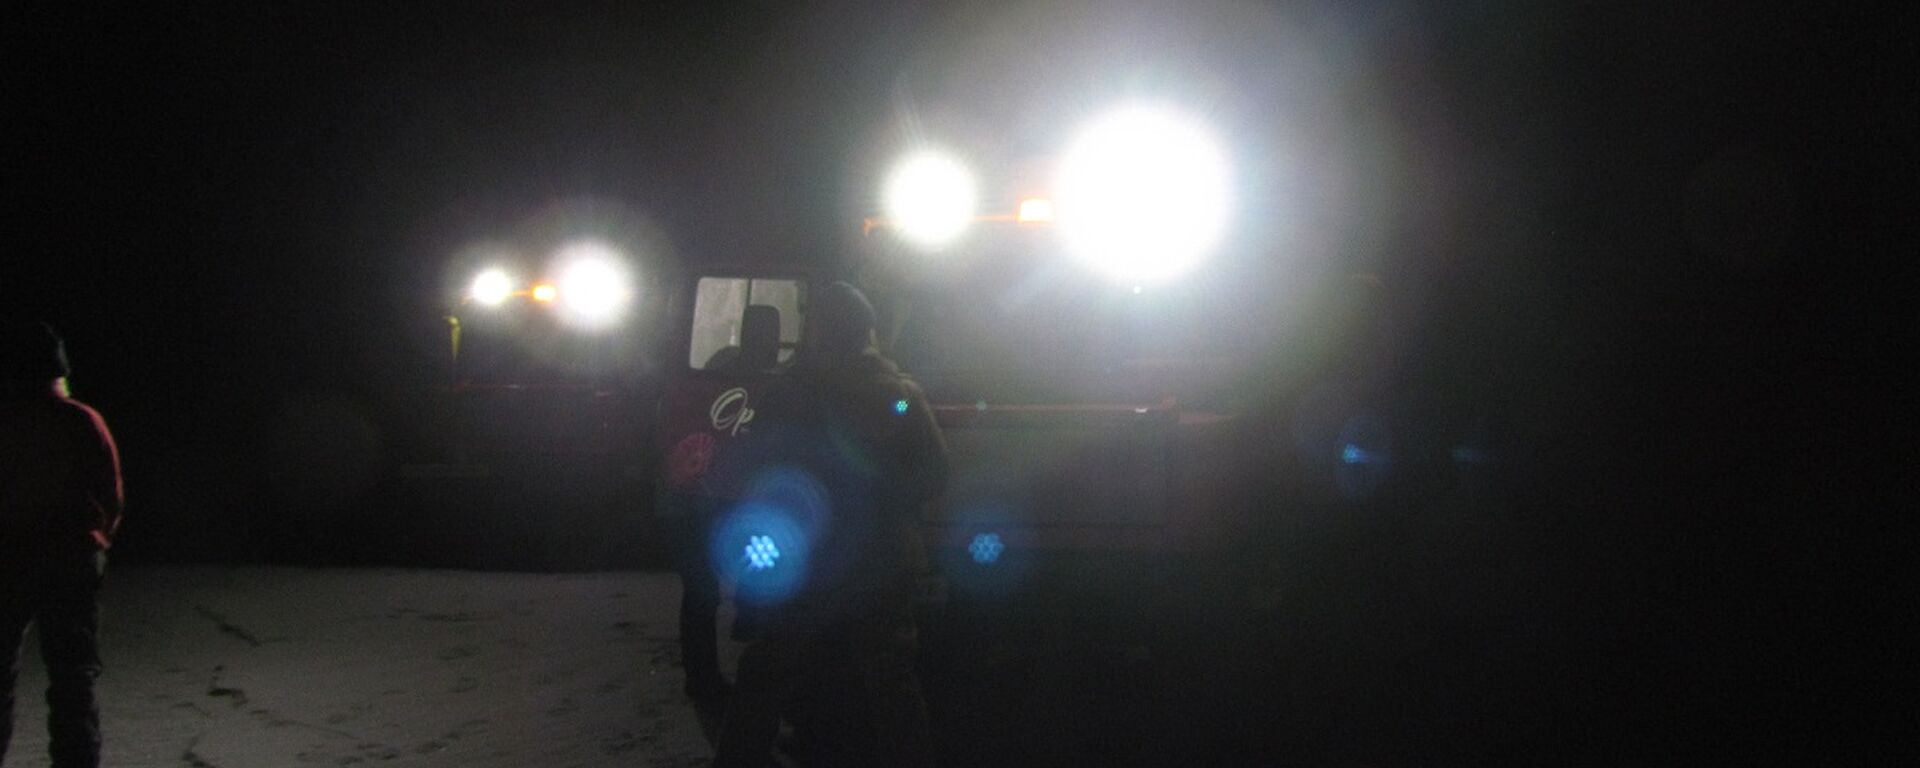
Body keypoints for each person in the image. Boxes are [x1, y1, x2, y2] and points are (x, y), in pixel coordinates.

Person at [712, 282, 947, 768]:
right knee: (891, 682)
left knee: (768, 673)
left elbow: (753, 472)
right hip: (879, 562)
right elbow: (932, 475)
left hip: (806, 563)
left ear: (819, 329)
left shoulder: (790, 395)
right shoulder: (897, 396)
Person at [1, 321, 124, 768]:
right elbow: (110, 494)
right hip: (70, 559)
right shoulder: (80, 419)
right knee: (73, 679)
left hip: (10, 559)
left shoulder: (8, 421)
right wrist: (99, 540)